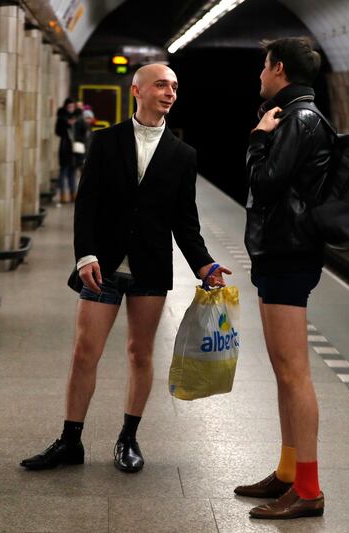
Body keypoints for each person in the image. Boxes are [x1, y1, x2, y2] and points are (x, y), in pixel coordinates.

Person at [20, 63, 231, 474]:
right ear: (137, 90)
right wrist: (85, 254)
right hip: (103, 265)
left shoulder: (182, 154)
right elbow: (87, 204)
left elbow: (184, 222)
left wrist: (205, 265)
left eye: (174, 85)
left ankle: (128, 438)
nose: (169, 92)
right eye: (160, 85)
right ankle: (70, 441)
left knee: (139, 353)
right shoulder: (106, 141)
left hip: (150, 267)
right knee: (85, 352)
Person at [234, 37, 334, 518]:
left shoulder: (299, 118)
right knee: (282, 370)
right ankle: (288, 472)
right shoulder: (294, 115)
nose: (259, 74)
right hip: (279, 252)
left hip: (290, 253)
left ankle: (309, 490)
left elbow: (266, 182)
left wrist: (257, 137)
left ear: (277, 68)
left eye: (263, 66)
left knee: (295, 373)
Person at [55, 98, 78, 203]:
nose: (71, 109)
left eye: (72, 107)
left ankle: (73, 194)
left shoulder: (77, 118)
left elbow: (82, 132)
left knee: (72, 172)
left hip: (74, 149)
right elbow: (58, 132)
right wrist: (67, 124)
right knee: (63, 171)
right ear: (65, 107)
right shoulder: (61, 119)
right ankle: (62, 195)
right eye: (69, 107)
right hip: (65, 148)